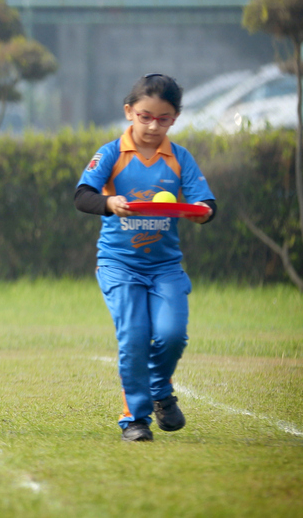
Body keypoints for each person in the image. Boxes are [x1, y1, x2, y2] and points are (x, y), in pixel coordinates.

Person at [75, 73, 216, 442]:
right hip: (119, 265)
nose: (153, 125)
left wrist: (202, 212)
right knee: (134, 337)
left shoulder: (180, 158)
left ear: (175, 119)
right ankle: (135, 419)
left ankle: (160, 392)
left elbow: (207, 203)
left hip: (165, 267)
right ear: (129, 112)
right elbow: (82, 195)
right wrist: (109, 202)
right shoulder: (110, 154)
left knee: (172, 336)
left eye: (163, 118)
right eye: (145, 116)